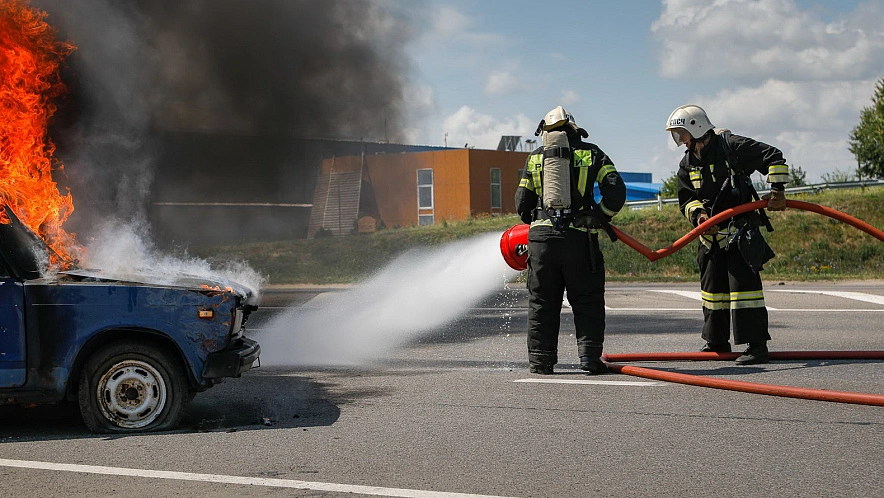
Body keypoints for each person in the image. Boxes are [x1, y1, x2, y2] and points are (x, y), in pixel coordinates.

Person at [665, 104, 789, 365]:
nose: (683, 144)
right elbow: (686, 198)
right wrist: (699, 217)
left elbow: (773, 156)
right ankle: (716, 342)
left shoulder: (731, 146)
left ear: (697, 129)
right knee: (713, 292)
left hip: (738, 232)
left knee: (745, 292)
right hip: (709, 238)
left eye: (683, 136)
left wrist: (777, 189)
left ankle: (757, 347)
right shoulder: (687, 163)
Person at [515, 106, 626, 374]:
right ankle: (589, 358)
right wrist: (599, 216)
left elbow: (521, 204)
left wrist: (542, 225)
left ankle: (541, 361)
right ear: (574, 130)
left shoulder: (535, 158)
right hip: (580, 240)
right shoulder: (592, 153)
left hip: (542, 243)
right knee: (587, 299)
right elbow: (616, 191)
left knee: (542, 302)